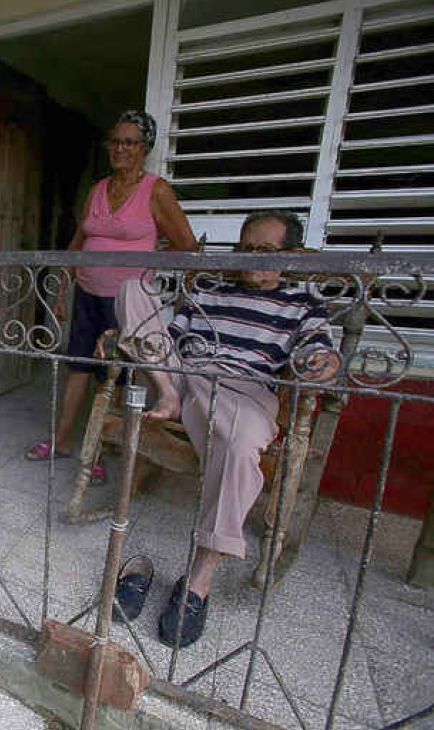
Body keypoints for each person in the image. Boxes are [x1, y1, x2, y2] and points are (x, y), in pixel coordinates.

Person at [105, 210, 338, 646]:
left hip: (242, 388)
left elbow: (316, 354)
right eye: (247, 248)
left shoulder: (303, 304)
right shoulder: (208, 289)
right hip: (182, 375)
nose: (252, 258)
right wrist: (165, 369)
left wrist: (322, 363)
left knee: (241, 446)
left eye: (266, 251)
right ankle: (168, 396)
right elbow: (166, 336)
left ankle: (198, 582)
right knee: (132, 290)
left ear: (290, 255)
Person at [24, 110, 199, 478]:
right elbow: (79, 241)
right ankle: (61, 440)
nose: (120, 148)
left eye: (129, 142)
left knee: (114, 377)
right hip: (87, 293)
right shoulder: (97, 189)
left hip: (126, 303)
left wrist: (146, 262)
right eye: (115, 140)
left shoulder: (157, 191)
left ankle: (97, 453)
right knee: (77, 368)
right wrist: (61, 288)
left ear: (144, 148)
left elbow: (186, 245)